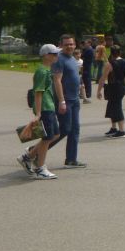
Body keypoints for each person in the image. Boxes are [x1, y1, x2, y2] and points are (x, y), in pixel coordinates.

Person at [17, 44, 61, 179]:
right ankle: (40, 168)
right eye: (54, 54)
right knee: (47, 138)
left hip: (50, 107)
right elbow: (38, 93)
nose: (57, 56)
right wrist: (38, 113)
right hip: (45, 109)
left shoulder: (47, 70)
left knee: (55, 135)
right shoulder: (42, 72)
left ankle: (28, 156)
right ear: (46, 55)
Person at [49, 34, 86, 168]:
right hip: (65, 100)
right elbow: (57, 80)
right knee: (64, 129)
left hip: (75, 100)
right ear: (61, 45)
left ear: (75, 44)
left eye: (71, 44)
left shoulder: (72, 58)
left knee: (75, 130)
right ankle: (35, 152)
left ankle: (71, 159)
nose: (69, 46)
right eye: (66, 44)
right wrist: (61, 101)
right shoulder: (59, 59)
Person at [98, 45, 125, 138]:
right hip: (121, 87)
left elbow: (103, 78)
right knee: (111, 107)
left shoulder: (110, 64)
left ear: (111, 53)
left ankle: (122, 131)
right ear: (120, 52)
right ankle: (114, 128)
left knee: (117, 108)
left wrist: (98, 90)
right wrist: (124, 86)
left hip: (113, 87)